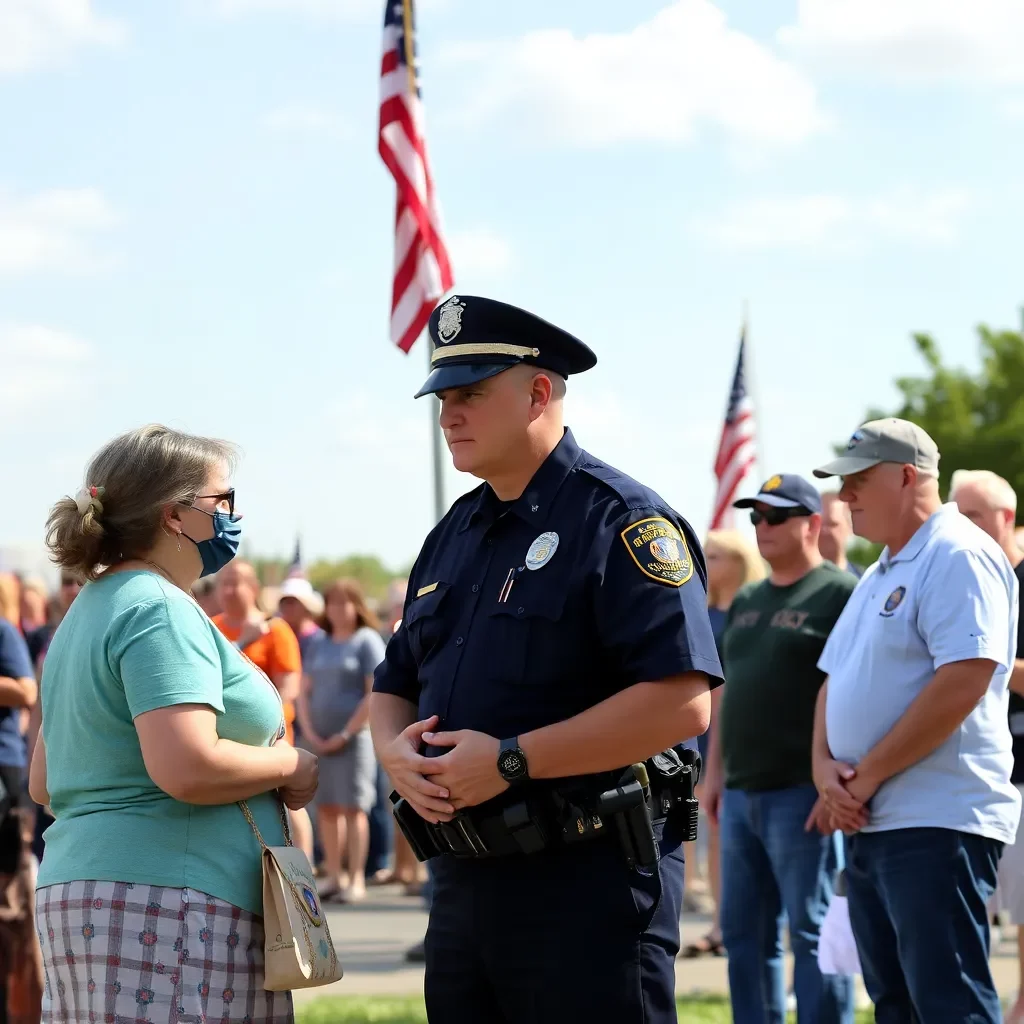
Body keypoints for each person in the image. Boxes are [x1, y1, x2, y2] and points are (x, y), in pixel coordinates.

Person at [369, 295, 721, 1023]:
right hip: (465, 882)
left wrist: (509, 759)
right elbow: (393, 681)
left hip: (587, 886)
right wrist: (393, 753)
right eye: (442, 398)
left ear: (538, 391)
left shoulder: (620, 520)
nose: (448, 416)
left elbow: (682, 701)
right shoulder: (454, 534)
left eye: (469, 394)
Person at [31, 423, 318, 1023]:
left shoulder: (91, 604)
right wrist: (292, 763)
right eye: (222, 502)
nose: (232, 516)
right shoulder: (157, 607)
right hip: (169, 903)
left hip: (89, 893)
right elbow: (187, 765)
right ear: (174, 516)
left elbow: (46, 783)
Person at [811, 419, 1020, 1023]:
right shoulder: (878, 571)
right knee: (896, 1006)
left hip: (937, 816)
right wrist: (825, 771)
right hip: (876, 820)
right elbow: (833, 681)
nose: (845, 496)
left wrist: (864, 777)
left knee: (947, 1004)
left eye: (858, 480)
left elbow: (964, 680)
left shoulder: (957, 552)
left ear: (907, 477)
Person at [702, 474, 856, 1024]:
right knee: (746, 934)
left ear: (812, 523)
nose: (762, 527)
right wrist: (712, 775)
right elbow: (726, 694)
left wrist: (837, 783)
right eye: (756, 517)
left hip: (802, 793)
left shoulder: (840, 593)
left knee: (812, 932)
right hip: (741, 793)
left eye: (776, 516)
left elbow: (855, 694)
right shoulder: (746, 597)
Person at [951, 469, 1024, 1023]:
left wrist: (981, 660)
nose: (960, 524)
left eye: (972, 514)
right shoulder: (967, 573)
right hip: (975, 774)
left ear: (1006, 518)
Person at [680, 529, 764, 960]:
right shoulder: (702, 612)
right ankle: (716, 918)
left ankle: (743, 920)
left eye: (718, 555)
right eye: (707, 554)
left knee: (734, 826)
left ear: (740, 560)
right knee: (707, 822)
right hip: (702, 733)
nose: (709, 561)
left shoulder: (752, 611)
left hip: (743, 733)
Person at [212, 561, 314, 864]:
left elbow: (289, 685)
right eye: (224, 583)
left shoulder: (275, 629)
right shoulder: (212, 627)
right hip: (226, 737)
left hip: (271, 737)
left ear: (253, 588)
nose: (229, 591)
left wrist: (269, 725)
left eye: (237, 583)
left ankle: (301, 870)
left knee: (288, 805)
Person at [297, 579, 385, 903]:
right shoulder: (319, 642)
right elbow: (304, 692)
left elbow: (374, 692)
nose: (338, 609)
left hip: (353, 741)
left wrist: (346, 733)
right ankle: (333, 876)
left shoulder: (367, 641)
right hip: (317, 740)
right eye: (332, 602)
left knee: (354, 808)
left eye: (345, 602)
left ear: (357, 606)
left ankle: (355, 878)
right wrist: (310, 731)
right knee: (327, 809)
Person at [276, 577, 325, 661]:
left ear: (305, 605)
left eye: (292, 602)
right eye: (284, 603)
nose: (287, 607)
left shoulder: (319, 639)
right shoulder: (278, 636)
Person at [818, 491, 863, 578]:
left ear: (850, 527)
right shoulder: (794, 584)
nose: (823, 530)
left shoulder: (864, 584)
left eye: (832, 524)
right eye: (818, 524)